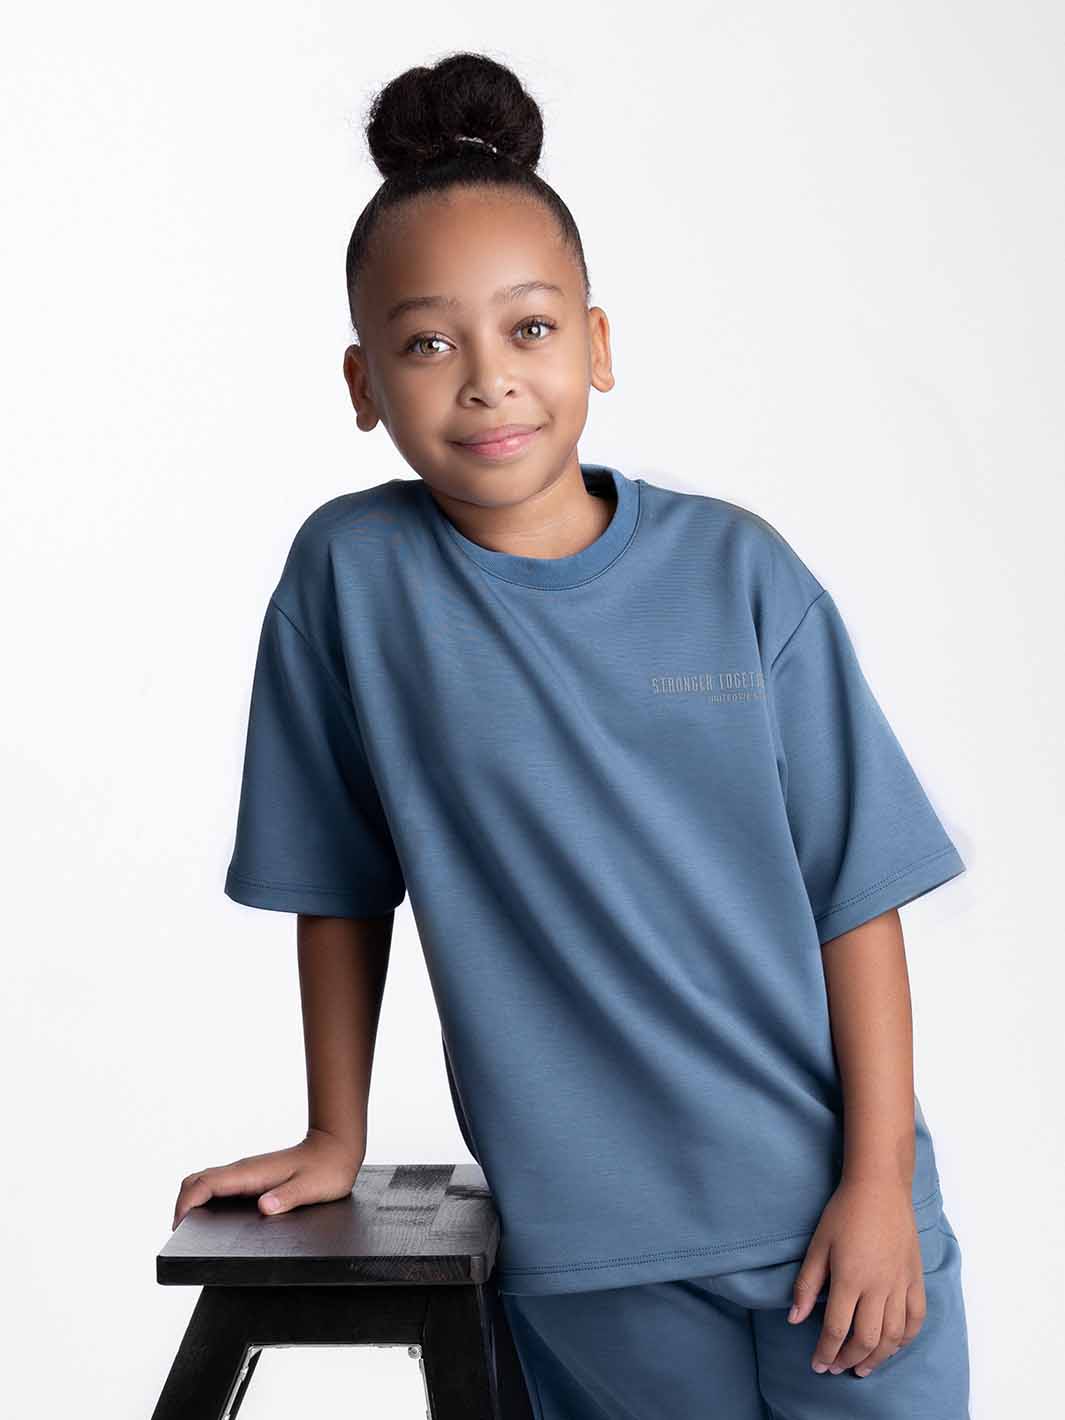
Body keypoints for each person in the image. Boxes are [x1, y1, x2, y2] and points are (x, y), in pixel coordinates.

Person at [172, 50, 972, 1419]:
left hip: (834, 1227)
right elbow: (336, 880)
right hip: (585, 1261)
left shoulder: (740, 576)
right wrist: (333, 1131)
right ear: (363, 382)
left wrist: (879, 1183)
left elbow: (857, 897)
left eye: (530, 329)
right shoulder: (350, 579)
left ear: (596, 344)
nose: (488, 381)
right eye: (429, 345)